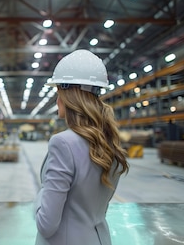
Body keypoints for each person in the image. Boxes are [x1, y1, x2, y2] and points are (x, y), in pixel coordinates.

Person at [34, 49, 129, 245]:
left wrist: (41, 194)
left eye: (58, 90)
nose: (56, 97)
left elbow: (46, 224)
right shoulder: (109, 141)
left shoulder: (63, 143)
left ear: (67, 94)